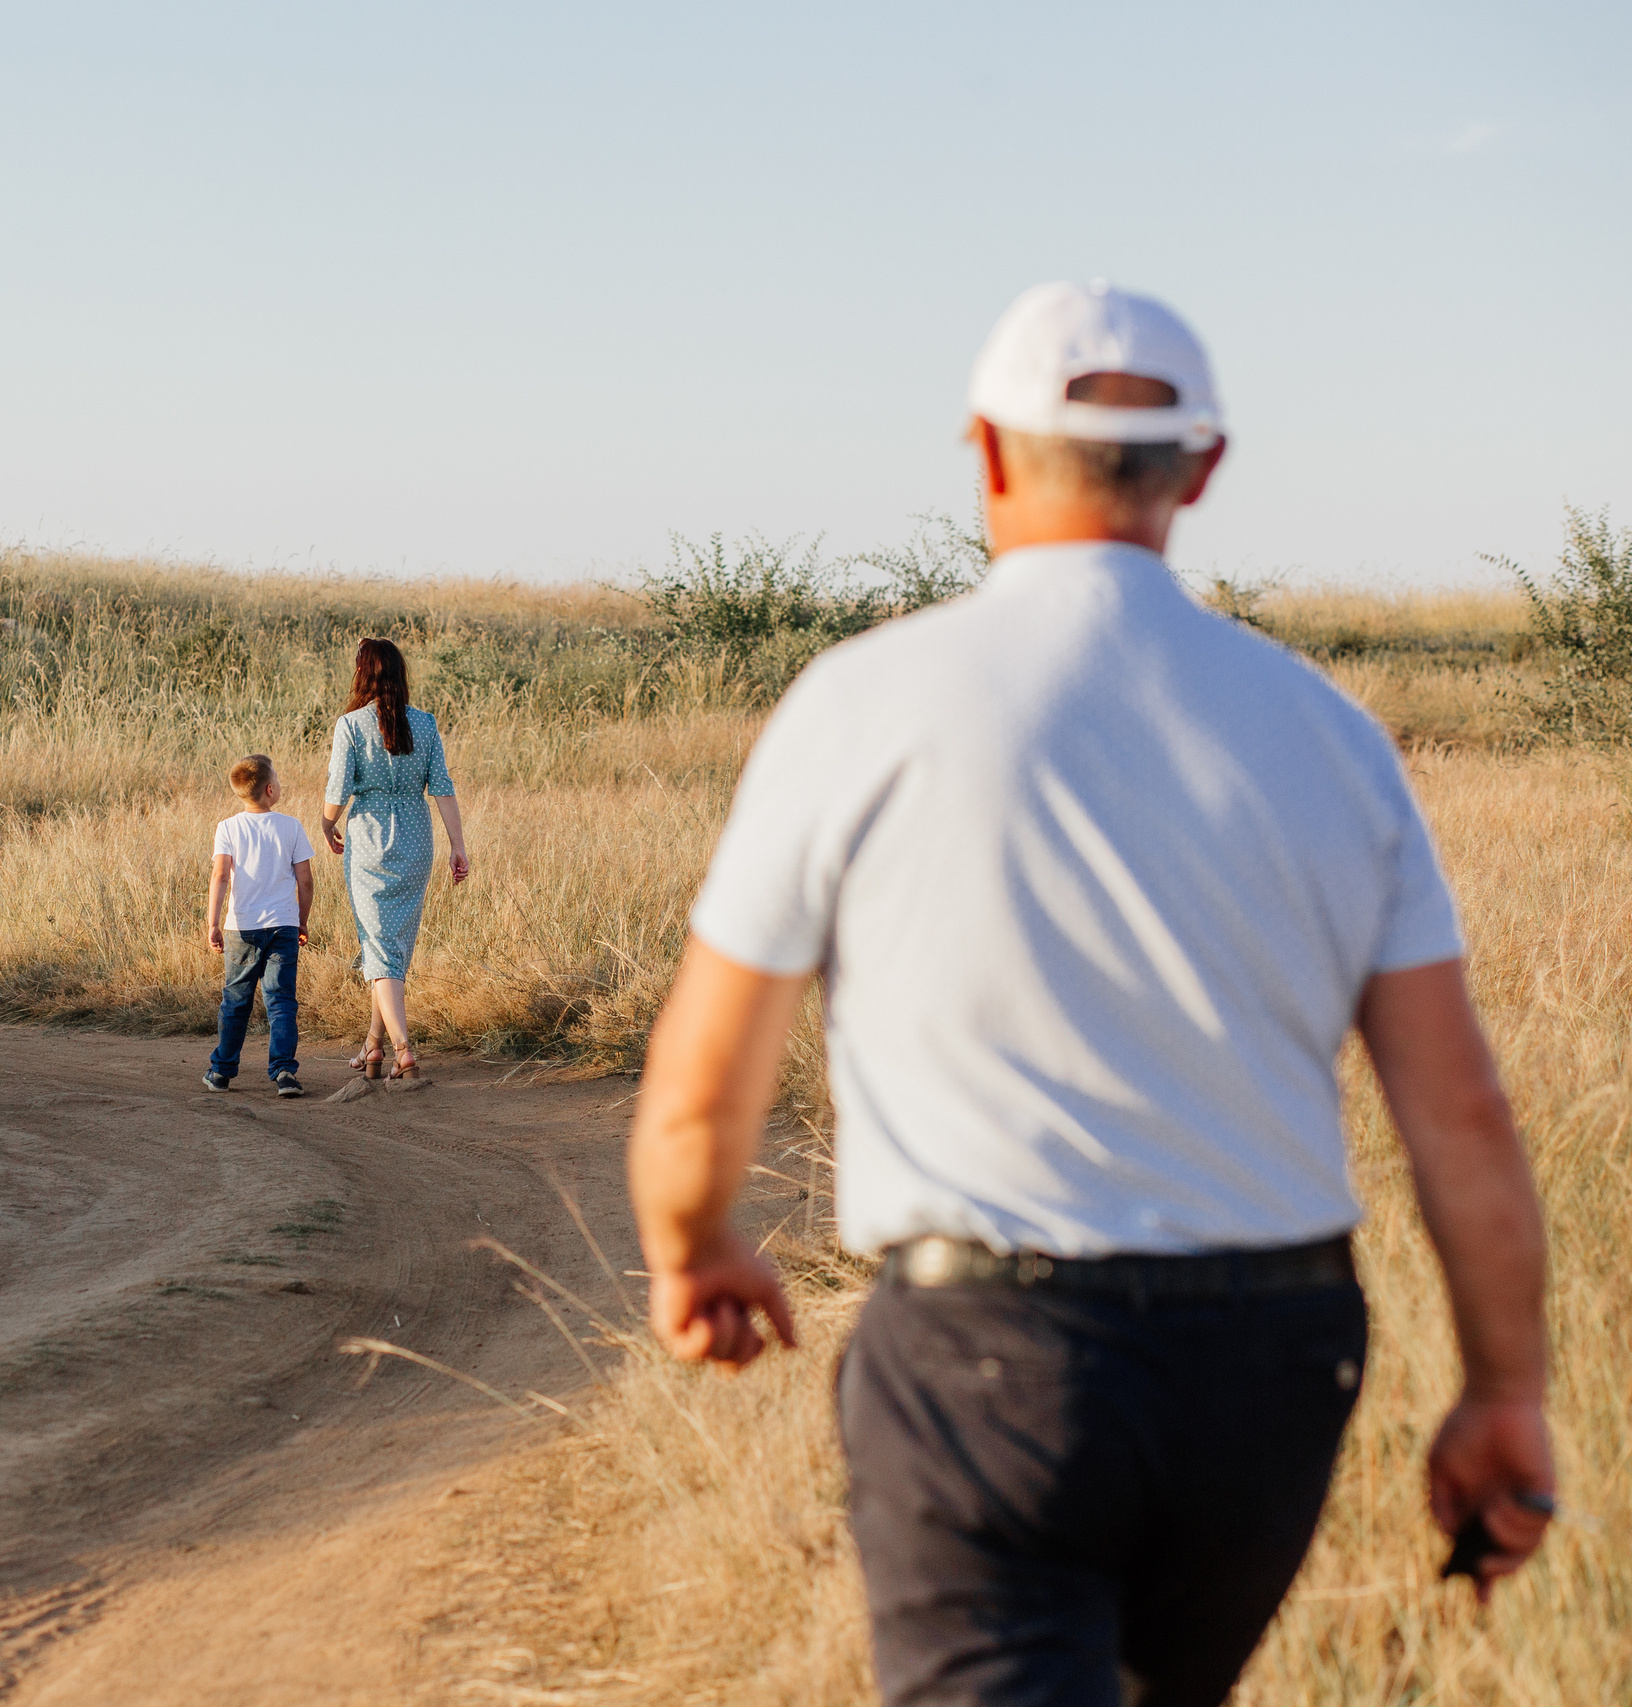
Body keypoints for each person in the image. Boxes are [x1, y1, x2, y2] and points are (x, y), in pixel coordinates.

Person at [626, 280, 1552, 1706]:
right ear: (1203, 469)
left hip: (990, 1362)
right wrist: (1503, 1391)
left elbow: (699, 1089)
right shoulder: (1332, 736)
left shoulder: (859, 702)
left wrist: (692, 1244)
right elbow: (1463, 1115)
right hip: (1273, 1363)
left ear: (987, 452)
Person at [322, 638, 470, 1080]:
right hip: (416, 839)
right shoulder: (424, 724)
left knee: (379, 946)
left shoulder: (349, 725)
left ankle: (404, 1048)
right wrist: (457, 845)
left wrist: (326, 824)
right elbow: (441, 786)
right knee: (390, 947)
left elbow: (338, 789)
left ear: (362, 673)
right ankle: (373, 1045)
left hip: (368, 837)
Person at [202, 753, 316, 1098]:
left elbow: (220, 876)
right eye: (278, 779)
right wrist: (302, 921)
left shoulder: (228, 827)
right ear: (270, 789)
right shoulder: (291, 826)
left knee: (236, 1001)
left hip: (242, 928)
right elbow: (306, 881)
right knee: (281, 1001)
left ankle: (221, 1071)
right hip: (282, 926)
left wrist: (213, 923)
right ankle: (283, 1072)